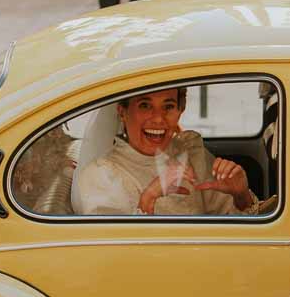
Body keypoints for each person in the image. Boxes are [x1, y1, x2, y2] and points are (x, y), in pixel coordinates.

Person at [74, 87, 263, 217]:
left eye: (168, 106)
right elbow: (112, 257)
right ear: (122, 111)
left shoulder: (190, 153)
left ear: (181, 110)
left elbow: (239, 233)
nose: (158, 119)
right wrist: (149, 197)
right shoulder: (101, 175)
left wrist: (241, 195)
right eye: (145, 105)